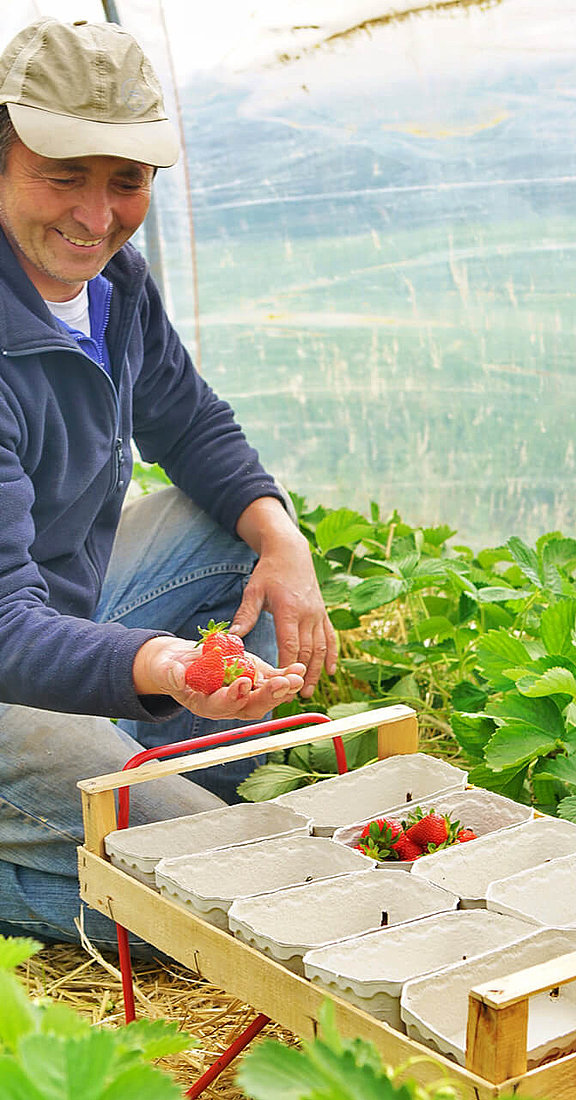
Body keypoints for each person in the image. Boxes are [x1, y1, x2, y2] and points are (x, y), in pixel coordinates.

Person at [0, 17, 337, 952]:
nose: (97, 215)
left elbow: (188, 422)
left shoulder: (114, 285)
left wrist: (284, 539)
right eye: (63, 172)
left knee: (236, 529)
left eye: (127, 179)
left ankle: (145, 785)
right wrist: (161, 662)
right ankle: (126, 835)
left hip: (58, 611)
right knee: (216, 907)